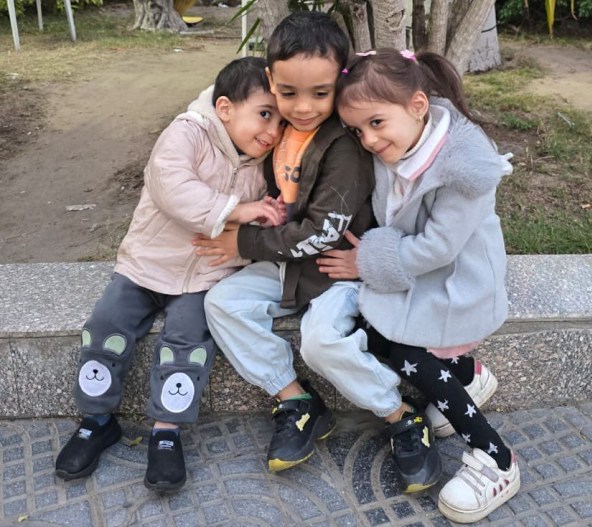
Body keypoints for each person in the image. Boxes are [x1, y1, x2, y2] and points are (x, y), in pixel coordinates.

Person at [54, 56, 285, 492]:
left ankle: (166, 431)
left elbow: (269, 219)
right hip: (146, 264)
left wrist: (259, 221)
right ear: (224, 108)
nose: (273, 131)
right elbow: (172, 186)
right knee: (105, 327)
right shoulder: (188, 132)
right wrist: (237, 210)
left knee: (187, 342)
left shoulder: (267, 162)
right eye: (264, 114)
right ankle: (96, 420)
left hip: (204, 276)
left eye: (280, 120)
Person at [314, 48, 520, 522]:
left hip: (458, 282)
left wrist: (366, 261)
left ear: (418, 105)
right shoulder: (404, 139)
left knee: (407, 350)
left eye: (375, 123)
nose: (368, 139)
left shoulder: (465, 167)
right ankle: (466, 376)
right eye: (358, 130)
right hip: (419, 272)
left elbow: (438, 248)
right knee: (374, 332)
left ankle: (496, 457)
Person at [198, 11, 386, 474]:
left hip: (336, 270)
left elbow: (322, 232)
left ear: (340, 82)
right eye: (288, 93)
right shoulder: (277, 130)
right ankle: (296, 399)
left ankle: (399, 413)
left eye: (320, 93)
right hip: (291, 266)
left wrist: (245, 241)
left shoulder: (345, 146)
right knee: (222, 304)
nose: (303, 107)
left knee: (319, 341)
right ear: (271, 81)